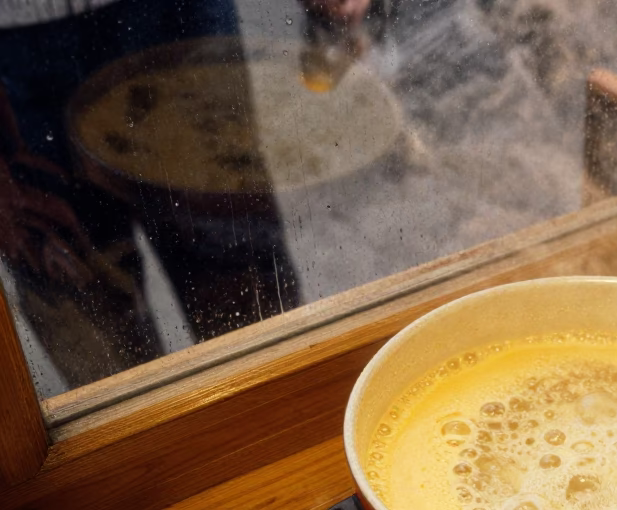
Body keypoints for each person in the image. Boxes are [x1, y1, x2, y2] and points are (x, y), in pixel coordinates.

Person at [0, 0, 369, 391]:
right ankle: (143, 450)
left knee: (256, 318)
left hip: (175, 13)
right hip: (11, 45)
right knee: (95, 342)